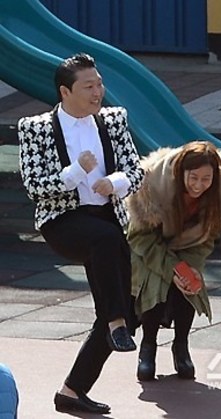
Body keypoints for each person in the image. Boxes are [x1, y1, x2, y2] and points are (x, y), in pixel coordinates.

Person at [18, 53, 144, 413]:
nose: (97, 92)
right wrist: (75, 172)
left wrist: (114, 182)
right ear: (65, 92)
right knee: (106, 251)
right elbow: (35, 187)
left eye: (99, 84)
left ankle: (72, 391)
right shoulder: (36, 128)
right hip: (64, 220)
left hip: (107, 218)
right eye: (88, 86)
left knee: (129, 313)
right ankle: (116, 320)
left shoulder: (114, 120)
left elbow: (136, 171)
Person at [126, 140, 221, 381]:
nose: (199, 185)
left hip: (189, 247)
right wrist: (173, 268)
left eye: (206, 179)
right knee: (156, 282)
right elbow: (139, 237)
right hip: (148, 247)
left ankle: (181, 345)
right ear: (181, 172)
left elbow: (207, 238)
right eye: (193, 177)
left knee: (190, 282)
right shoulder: (153, 184)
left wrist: (189, 268)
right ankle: (148, 346)